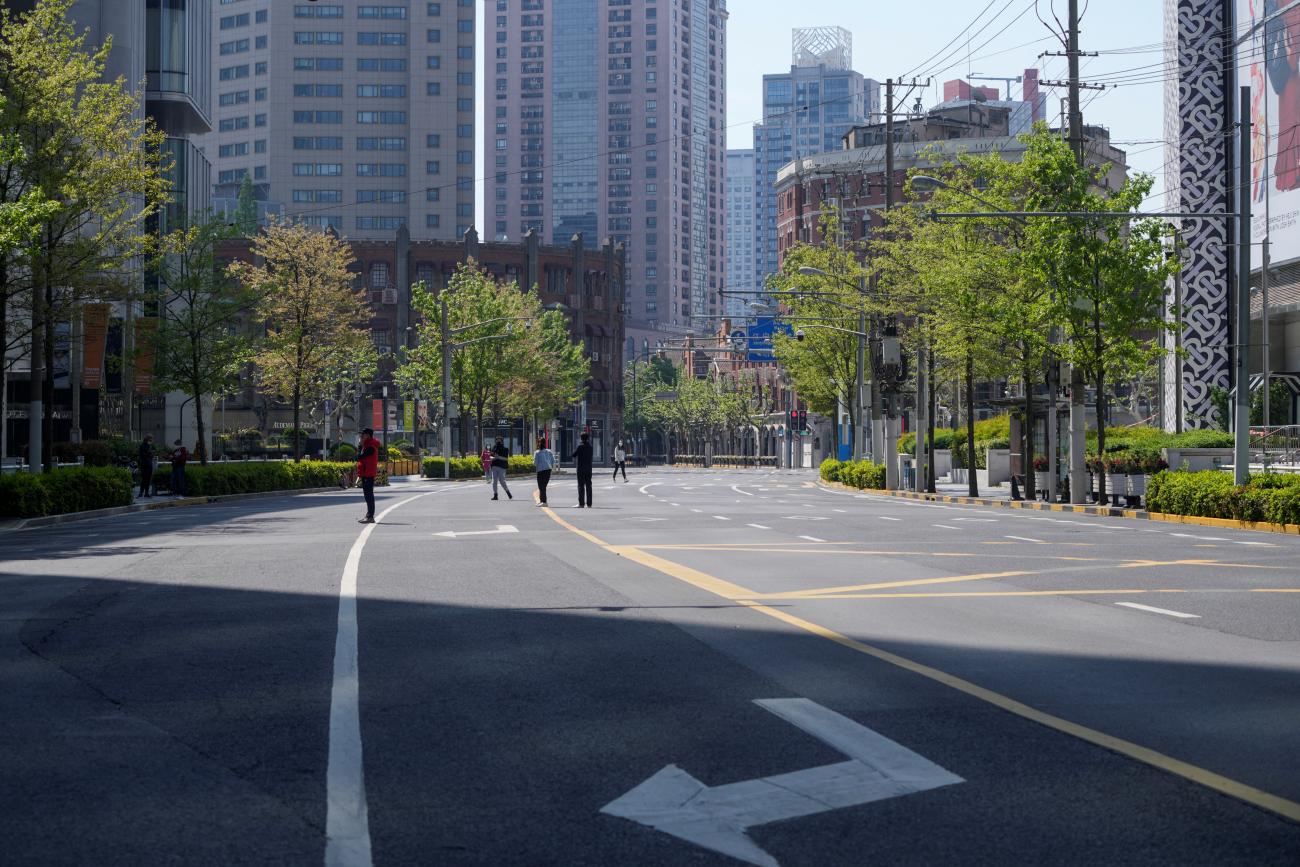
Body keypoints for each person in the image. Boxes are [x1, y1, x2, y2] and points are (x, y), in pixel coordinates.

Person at [356, 427, 380, 523]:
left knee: (369, 495)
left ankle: (370, 516)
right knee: (368, 495)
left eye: (363, 435)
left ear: (368, 436)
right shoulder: (367, 445)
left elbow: (360, 457)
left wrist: (359, 446)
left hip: (368, 473)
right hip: (366, 473)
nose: (361, 437)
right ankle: (369, 515)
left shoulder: (370, 447)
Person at [572, 431, 593, 508]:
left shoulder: (580, 447)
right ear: (587, 438)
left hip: (580, 469)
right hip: (589, 469)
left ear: (581, 438)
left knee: (581, 486)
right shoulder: (590, 447)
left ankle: (581, 504)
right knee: (589, 486)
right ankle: (589, 504)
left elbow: (573, 455)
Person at [533, 436, 555, 507]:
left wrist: (533, 461)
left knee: (541, 487)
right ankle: (542, 501)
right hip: (548, 470)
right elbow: (553, 461)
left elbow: (535, 463)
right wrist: (550, 467)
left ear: (538, 444)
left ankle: (544, 502)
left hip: (540, 471)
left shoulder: (537, 453)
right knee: (543, 486)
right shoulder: (549, 451)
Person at [490, 436, 513, 500]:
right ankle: (495, 495)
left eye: (499, 441)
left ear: (502, 442)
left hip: (502, 467)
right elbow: (490, 457)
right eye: (497, 440)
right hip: (494, 466)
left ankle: (508, 492)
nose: (498, 442)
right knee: (494, 481)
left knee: (501, 480)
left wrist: (499, 457)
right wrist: (494, 458)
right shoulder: (493, 448)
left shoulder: (505, 449)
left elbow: (506, 459)